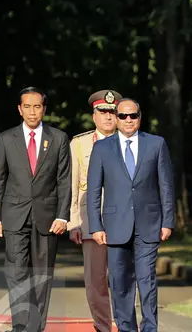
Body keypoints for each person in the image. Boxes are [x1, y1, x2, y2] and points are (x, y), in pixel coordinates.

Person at [86, 98, 175, 332]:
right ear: (115, 118)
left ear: (140, 117)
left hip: (149, 223)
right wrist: (95, 225)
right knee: (120, 284)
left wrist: (168, 221)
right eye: (123, 116)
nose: (128, 120)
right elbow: (94, 189)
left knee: (147, 281)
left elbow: (166, 185)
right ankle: (126, 328)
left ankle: (149, 328)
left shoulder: (156, 144)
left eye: (132, 116)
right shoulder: (102, 148)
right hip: (115, 226)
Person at [0, 86, 72, 332]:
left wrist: (62, 215)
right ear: (19, 109)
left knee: (41, 276)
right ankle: (21, 324)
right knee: (16, 271)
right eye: (27, 106)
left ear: (44, 109)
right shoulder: (6, 139)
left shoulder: (58, 139)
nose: (32, 112)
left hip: (47, 217)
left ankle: (35, 327)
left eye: (37, 107)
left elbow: (64, 180)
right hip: (14, 216)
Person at [67, 89, 122, 332]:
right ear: (94, 116)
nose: (108, 117)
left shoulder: (130, 140)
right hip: (91, 220)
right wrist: (73, 223)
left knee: (122, 278)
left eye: (113, 112)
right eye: (103, 112)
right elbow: (71, 185)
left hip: (123, 220)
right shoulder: (79, 144)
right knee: (95, 280)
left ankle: (124, 323)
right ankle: (102, 326)